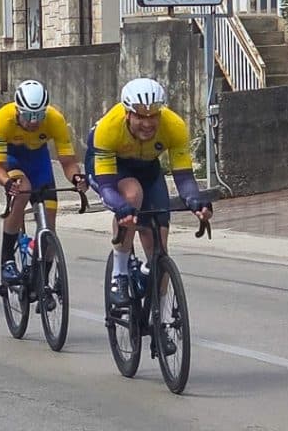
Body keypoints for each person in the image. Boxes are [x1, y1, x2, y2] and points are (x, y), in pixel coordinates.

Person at [87, 78, 212, 308]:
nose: (147, 123)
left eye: (153, 116)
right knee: (132, 195)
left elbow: (184, 177)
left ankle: (159, 315)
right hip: (112, 169)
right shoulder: (108, 128)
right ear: (127, 114)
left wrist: (196, 201)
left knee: (159, 250)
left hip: (148, 168)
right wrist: (121, 208)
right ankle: (119, 274)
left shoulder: (174, 126)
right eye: (140, 117)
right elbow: (106, 187)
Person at [0, 80, 86, 285]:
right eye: (28, 116)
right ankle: (7, 260)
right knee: (23, 189)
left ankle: (40, 281)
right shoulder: (3, 118)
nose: (34, 122)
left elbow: (68, 162)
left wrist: (77, 178)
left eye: (39, 115)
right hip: (11, 158)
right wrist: (7, 182)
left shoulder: (55, 119)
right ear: (17, 110)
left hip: (38, 161)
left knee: (49, 228)